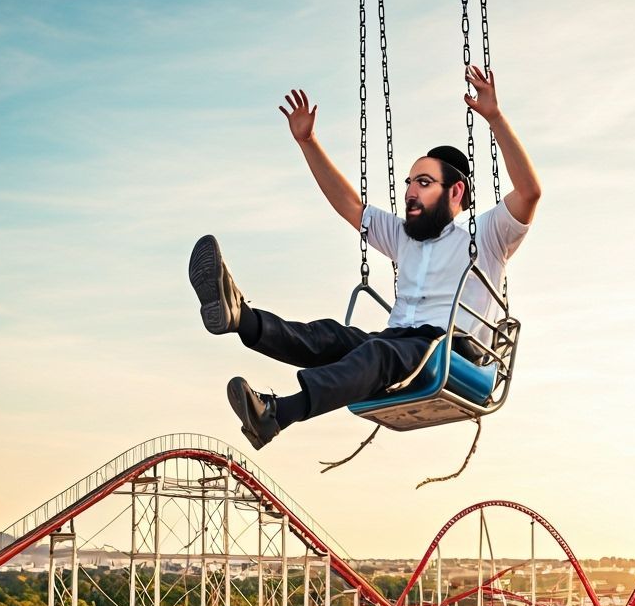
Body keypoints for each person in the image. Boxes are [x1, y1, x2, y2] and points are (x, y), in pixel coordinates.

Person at [189, 64, 541, 450]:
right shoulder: (405, 236)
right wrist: (308, 142)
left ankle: (278, 413)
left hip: (453, 350)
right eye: (409, 182)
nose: (410, 192)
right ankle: (242, 318)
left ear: (455, 192)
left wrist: (494, 117)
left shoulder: (487, 234)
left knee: (378, 352)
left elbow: (529, 192)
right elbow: (349, 205)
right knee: (333, 336)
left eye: (424, 183)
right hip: (400, 343)